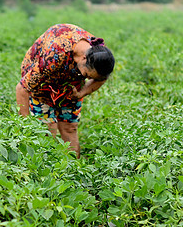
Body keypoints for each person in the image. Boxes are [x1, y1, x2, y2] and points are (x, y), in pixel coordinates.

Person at [15, 23, 115, 158]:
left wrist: (81, 93)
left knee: (70, 128)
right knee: (47, 130)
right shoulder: (54, 55)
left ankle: (73, 171)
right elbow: (22, 88)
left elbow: (101, 78)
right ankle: (44, 172)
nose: (88, 79)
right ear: (84, 58)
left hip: (70, 88)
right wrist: (24, 126)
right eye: (87, 76)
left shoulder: (99, 55)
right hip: (42, 85)